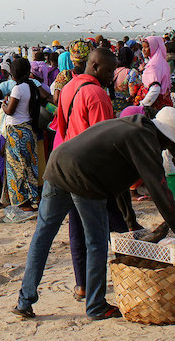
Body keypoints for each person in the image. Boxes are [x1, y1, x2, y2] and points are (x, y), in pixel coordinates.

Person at [14, 108, 175, 320]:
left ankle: (24, 301)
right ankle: (96, 306)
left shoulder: (131, 125)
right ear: (166, 137)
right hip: (84, 178)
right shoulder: (145, 140)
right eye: (170, 144)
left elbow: (120, 182)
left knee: (42, 236)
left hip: (58, 163)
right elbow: (163, 197)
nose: (167, 148)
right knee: (96, 243)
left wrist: (130, 222)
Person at [57, 48, 125, 300]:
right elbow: (104, 139)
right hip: (93, 171)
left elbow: (62, 127)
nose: (112, 77)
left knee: (76, 228)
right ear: (95, 66)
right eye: (108, 71)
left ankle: (81, 284)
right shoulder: (97, 95)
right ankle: (133, 272)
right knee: (112, 228)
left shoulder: (68, 88)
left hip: (69, 166)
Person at [1, 58, 40, 219]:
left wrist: (3, 104)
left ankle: (23, 203)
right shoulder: (31, 87)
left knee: (17, 169)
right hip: (27, 129)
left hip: (16, 132)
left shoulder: (18, 89)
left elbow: (9, 111)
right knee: (28, 166)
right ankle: (31, 200)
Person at [136, 36, 173, 110]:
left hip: (154, 106)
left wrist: (142, 106)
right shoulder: (160, 62)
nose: (143, 50)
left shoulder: (154, 65)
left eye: (146, 47)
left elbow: (155, 89)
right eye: (142, 47)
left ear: (154, 47)